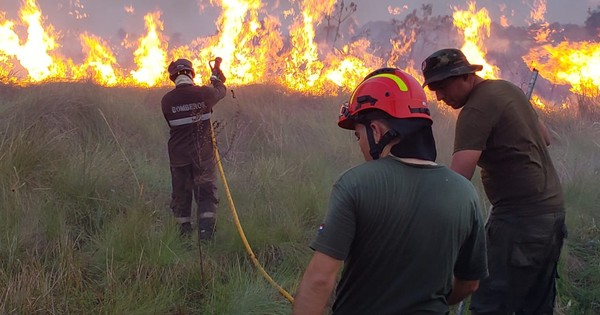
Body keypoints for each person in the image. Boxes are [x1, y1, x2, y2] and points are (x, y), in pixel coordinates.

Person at [293, 68, 488, 314]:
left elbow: (320, 280)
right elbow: (470, 282)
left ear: (376, 131)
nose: (360, 145)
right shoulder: (465, 193)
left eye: (358, 136)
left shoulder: (354, 184)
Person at [421, 48, 567, 314]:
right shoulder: (508, 90)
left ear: (465, 77)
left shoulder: (475, 110)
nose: (439, 97)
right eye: (434, 90)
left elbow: (458, 182)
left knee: (490, 303)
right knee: (535, 306)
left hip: (519, 221)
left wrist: (426, 215)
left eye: (443, 86)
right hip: (552, 213)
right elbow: (544, 138)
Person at [161, 58, 226, 242]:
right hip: (202, 156)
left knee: (181, 196)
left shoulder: (166, 101)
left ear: (173, 78)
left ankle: (183, 239)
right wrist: (217, 80)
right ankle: (206, 238)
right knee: (205, 194)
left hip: (178, 158)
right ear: (191, 74)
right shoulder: (204, 93)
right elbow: (220, 92)